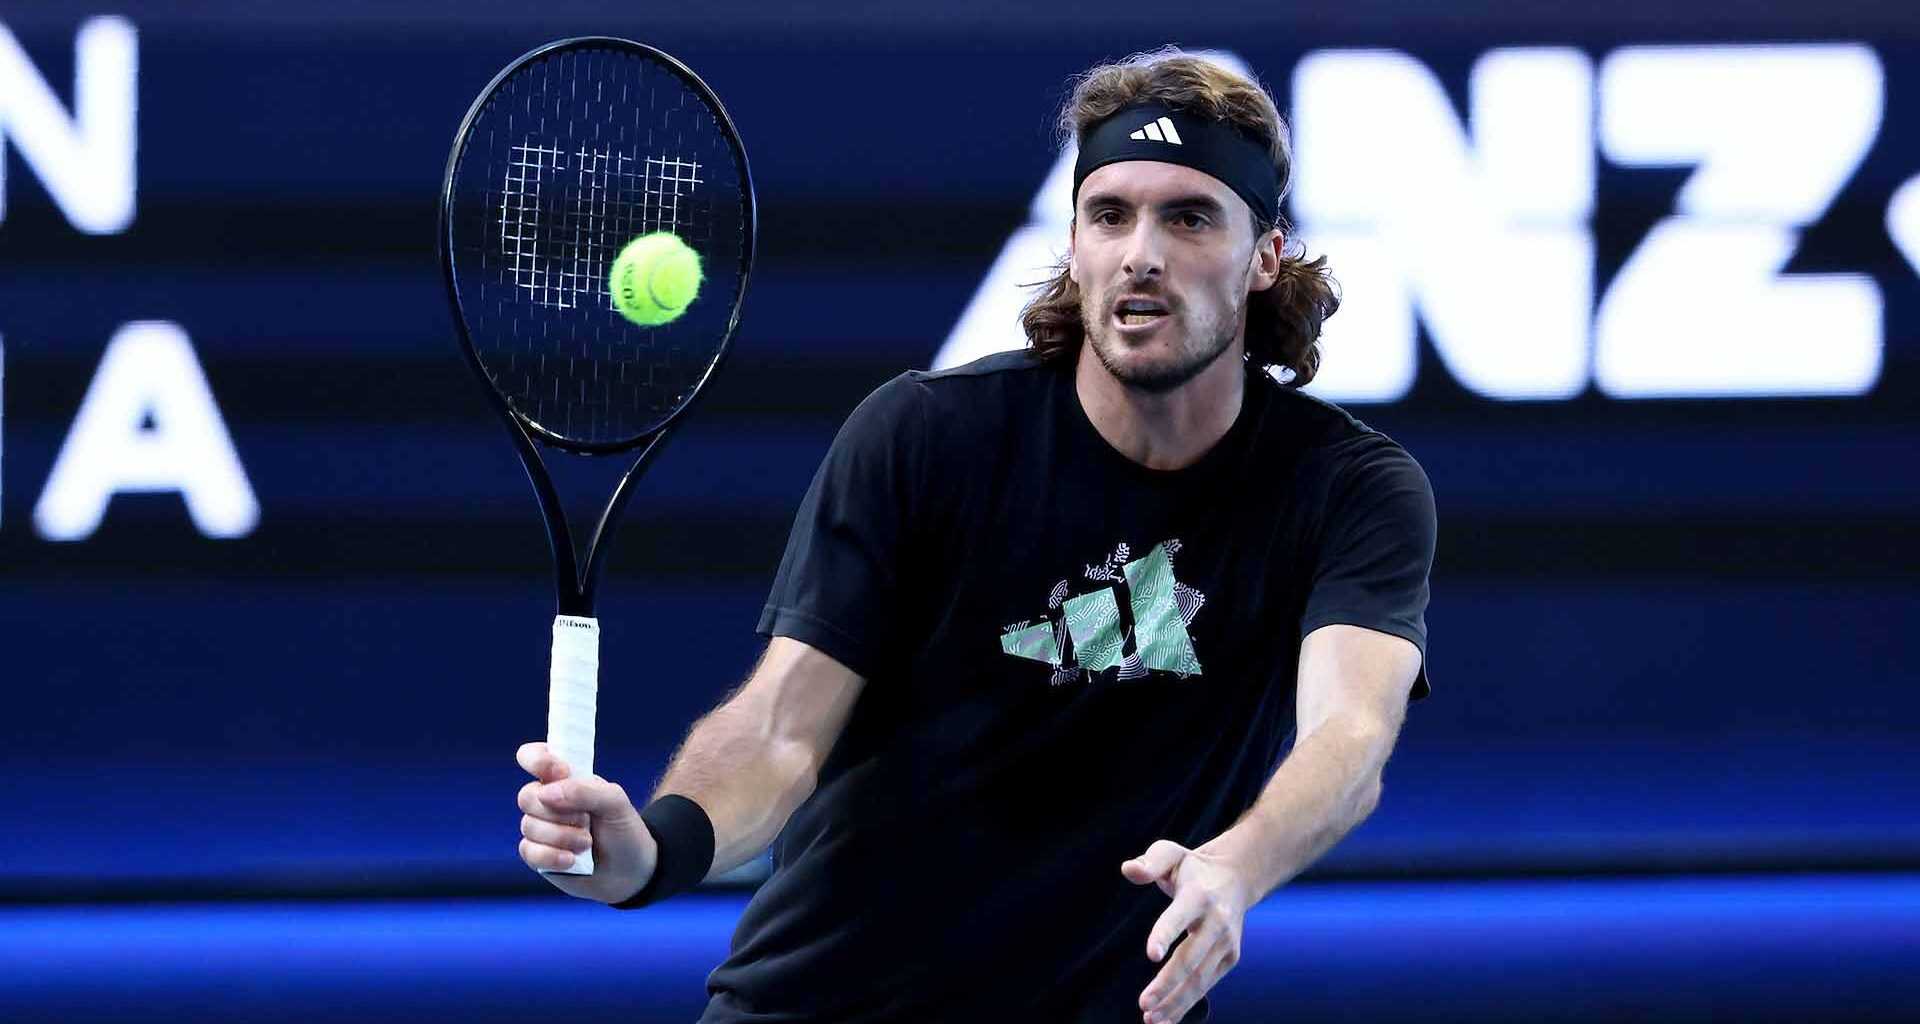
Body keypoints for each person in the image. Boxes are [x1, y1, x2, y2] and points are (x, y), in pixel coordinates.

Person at [515, 46, 1435, 1024]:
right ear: (1075, 245)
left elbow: (1352, 730)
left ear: (1266, 258)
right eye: (1110, 214)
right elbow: (782, 725)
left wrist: (1235, 867)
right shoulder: (927, 435)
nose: (1143, 253)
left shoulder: (1348, 488)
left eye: (1190, 215)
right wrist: (653, 850)